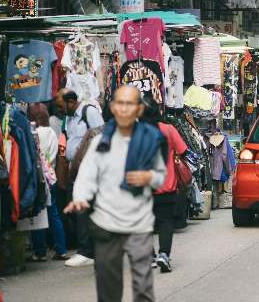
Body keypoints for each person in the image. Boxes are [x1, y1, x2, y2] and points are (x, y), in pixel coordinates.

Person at [65, 85, 167, 302]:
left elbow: (160, 176)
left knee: (143, 288)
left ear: (139, 109)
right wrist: (81, 198)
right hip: (106, 223)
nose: (123, 109)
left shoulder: (150, 138)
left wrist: (148, 177)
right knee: (108, 289)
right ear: (112, 107)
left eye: (129, 104)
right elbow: (87, 174)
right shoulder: (100, 141)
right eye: (119, 103)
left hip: (139, 222)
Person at [55, 88, 104, 268]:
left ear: (71, 102)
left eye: (61, 106)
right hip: (75, 169)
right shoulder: (69, 118)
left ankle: (87, 251)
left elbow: (101, 135)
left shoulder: (88, 112)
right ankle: (90, 249)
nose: (60, 110)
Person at [141, 97, 188, 273]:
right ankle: (164, 255)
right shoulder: (168, 129)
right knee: (165, 221)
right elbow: (183, 150)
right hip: (166, 185)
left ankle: (150, 256)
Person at [27, 103, 69, 262]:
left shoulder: (35, 132)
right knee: (54, 214)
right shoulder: (51, 131)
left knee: (37, 214)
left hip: (39, 177)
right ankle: (61, 249)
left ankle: (40, 251)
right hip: (51, 175)